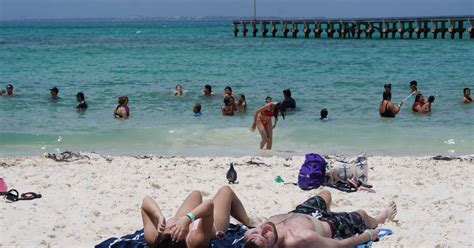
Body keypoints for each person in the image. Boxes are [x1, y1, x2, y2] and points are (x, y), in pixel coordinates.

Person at [243, 190, 397, 248]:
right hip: (330, 225)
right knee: (362, 214)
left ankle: (328, 211)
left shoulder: (250, 237)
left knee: (325, 194)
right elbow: (338, 245)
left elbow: (253, 236)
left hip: (302, 212)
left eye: (256, 232)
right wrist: (367, 235)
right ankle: (380, 218)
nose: (262, 229)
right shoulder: (299, 239)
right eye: (264, 235)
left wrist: (255, 234)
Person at [141, 186, 251, 248]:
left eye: (166, 229)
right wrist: (187, 219)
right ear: (184, 238)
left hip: (183, 218)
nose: (169, 227)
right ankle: (248, 220)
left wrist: (159, 215)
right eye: (174, 231)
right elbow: (208, 206)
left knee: (196, 193)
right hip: (212, 224)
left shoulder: (154, 237)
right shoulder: (194, 240)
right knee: (226, 191)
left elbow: (145, 202)